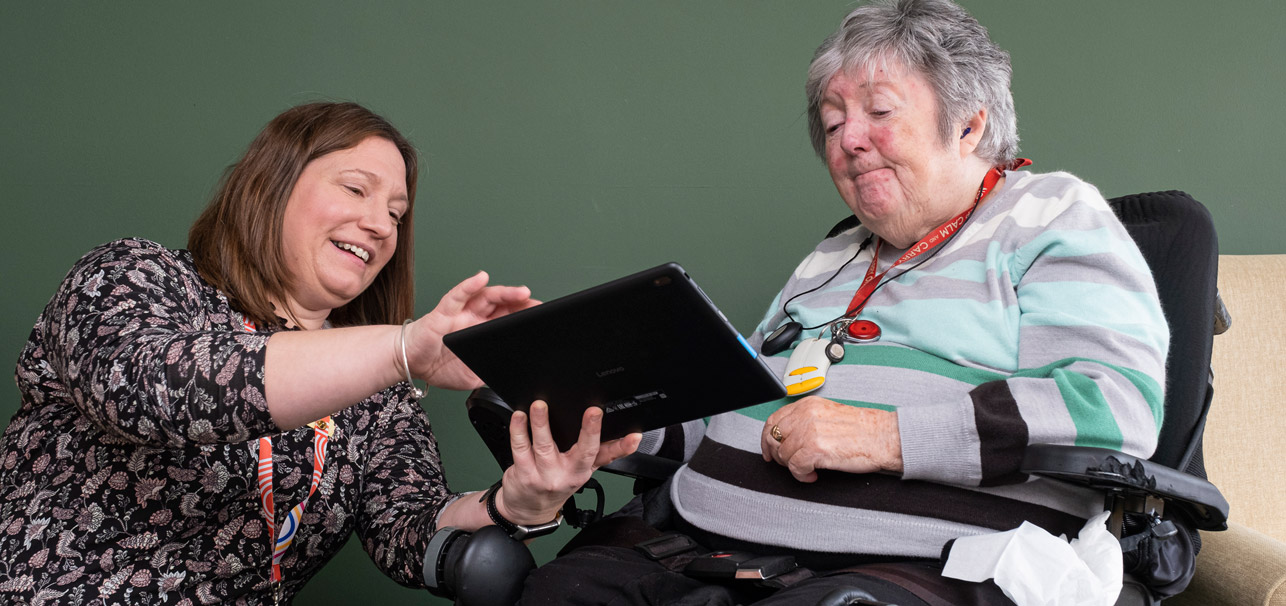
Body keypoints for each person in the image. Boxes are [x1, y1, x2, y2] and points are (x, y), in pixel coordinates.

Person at [520, 0, 1169, 604]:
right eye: (833, 124)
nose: (848, 140)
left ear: (970, 123)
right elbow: (726, 404)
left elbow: (1113, 407)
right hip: (696, 549)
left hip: (902, 572)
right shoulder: (836, 253)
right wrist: (608, 420)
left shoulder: (1052, 215)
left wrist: (887, 437)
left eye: (878, 113)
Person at [0, 101, 639, 605]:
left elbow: (406, 533)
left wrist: (523, 503)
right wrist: (403, 347)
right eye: (357, 190)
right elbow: (157, 391)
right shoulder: (129, 276)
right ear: (271, 185)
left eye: (396, 212)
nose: (383, 225)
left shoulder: (377, 384)